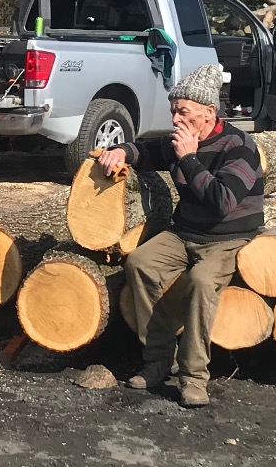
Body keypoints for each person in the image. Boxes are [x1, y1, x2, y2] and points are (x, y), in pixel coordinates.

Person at [93, 64, 266, 407]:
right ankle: (158, 360)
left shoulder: (239, 147)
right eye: (173, 110)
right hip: (184, 232)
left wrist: (189, 159)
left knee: (201, 282)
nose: (175, 119)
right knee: (141, 263)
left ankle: (194, 376)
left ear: (208, 112)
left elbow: (222, 202)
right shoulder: (178, 141)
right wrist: (122, 151)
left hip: (228, 238)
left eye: (183, 111)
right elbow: (146, 151)